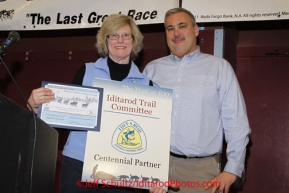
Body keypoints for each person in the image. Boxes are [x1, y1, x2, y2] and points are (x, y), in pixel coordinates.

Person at [27, 13, 153, 193]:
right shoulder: (86, 71)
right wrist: (37, 108)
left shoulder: (146, 85)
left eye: (126, 35)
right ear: (105, 40)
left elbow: (151, 138)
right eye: (113, 35)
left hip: (121, 172)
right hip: (79, 165)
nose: (120, 40)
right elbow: (65, 117)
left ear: (134, 41)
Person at [143, 7, 251, 193]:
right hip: (156, 168)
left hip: (202, 172)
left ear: (195, 30)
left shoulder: (219, 68)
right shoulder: (152, 70)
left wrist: (232, 169)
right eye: (170, 28)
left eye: (182, 26)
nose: (176, 33)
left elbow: (237, 124)